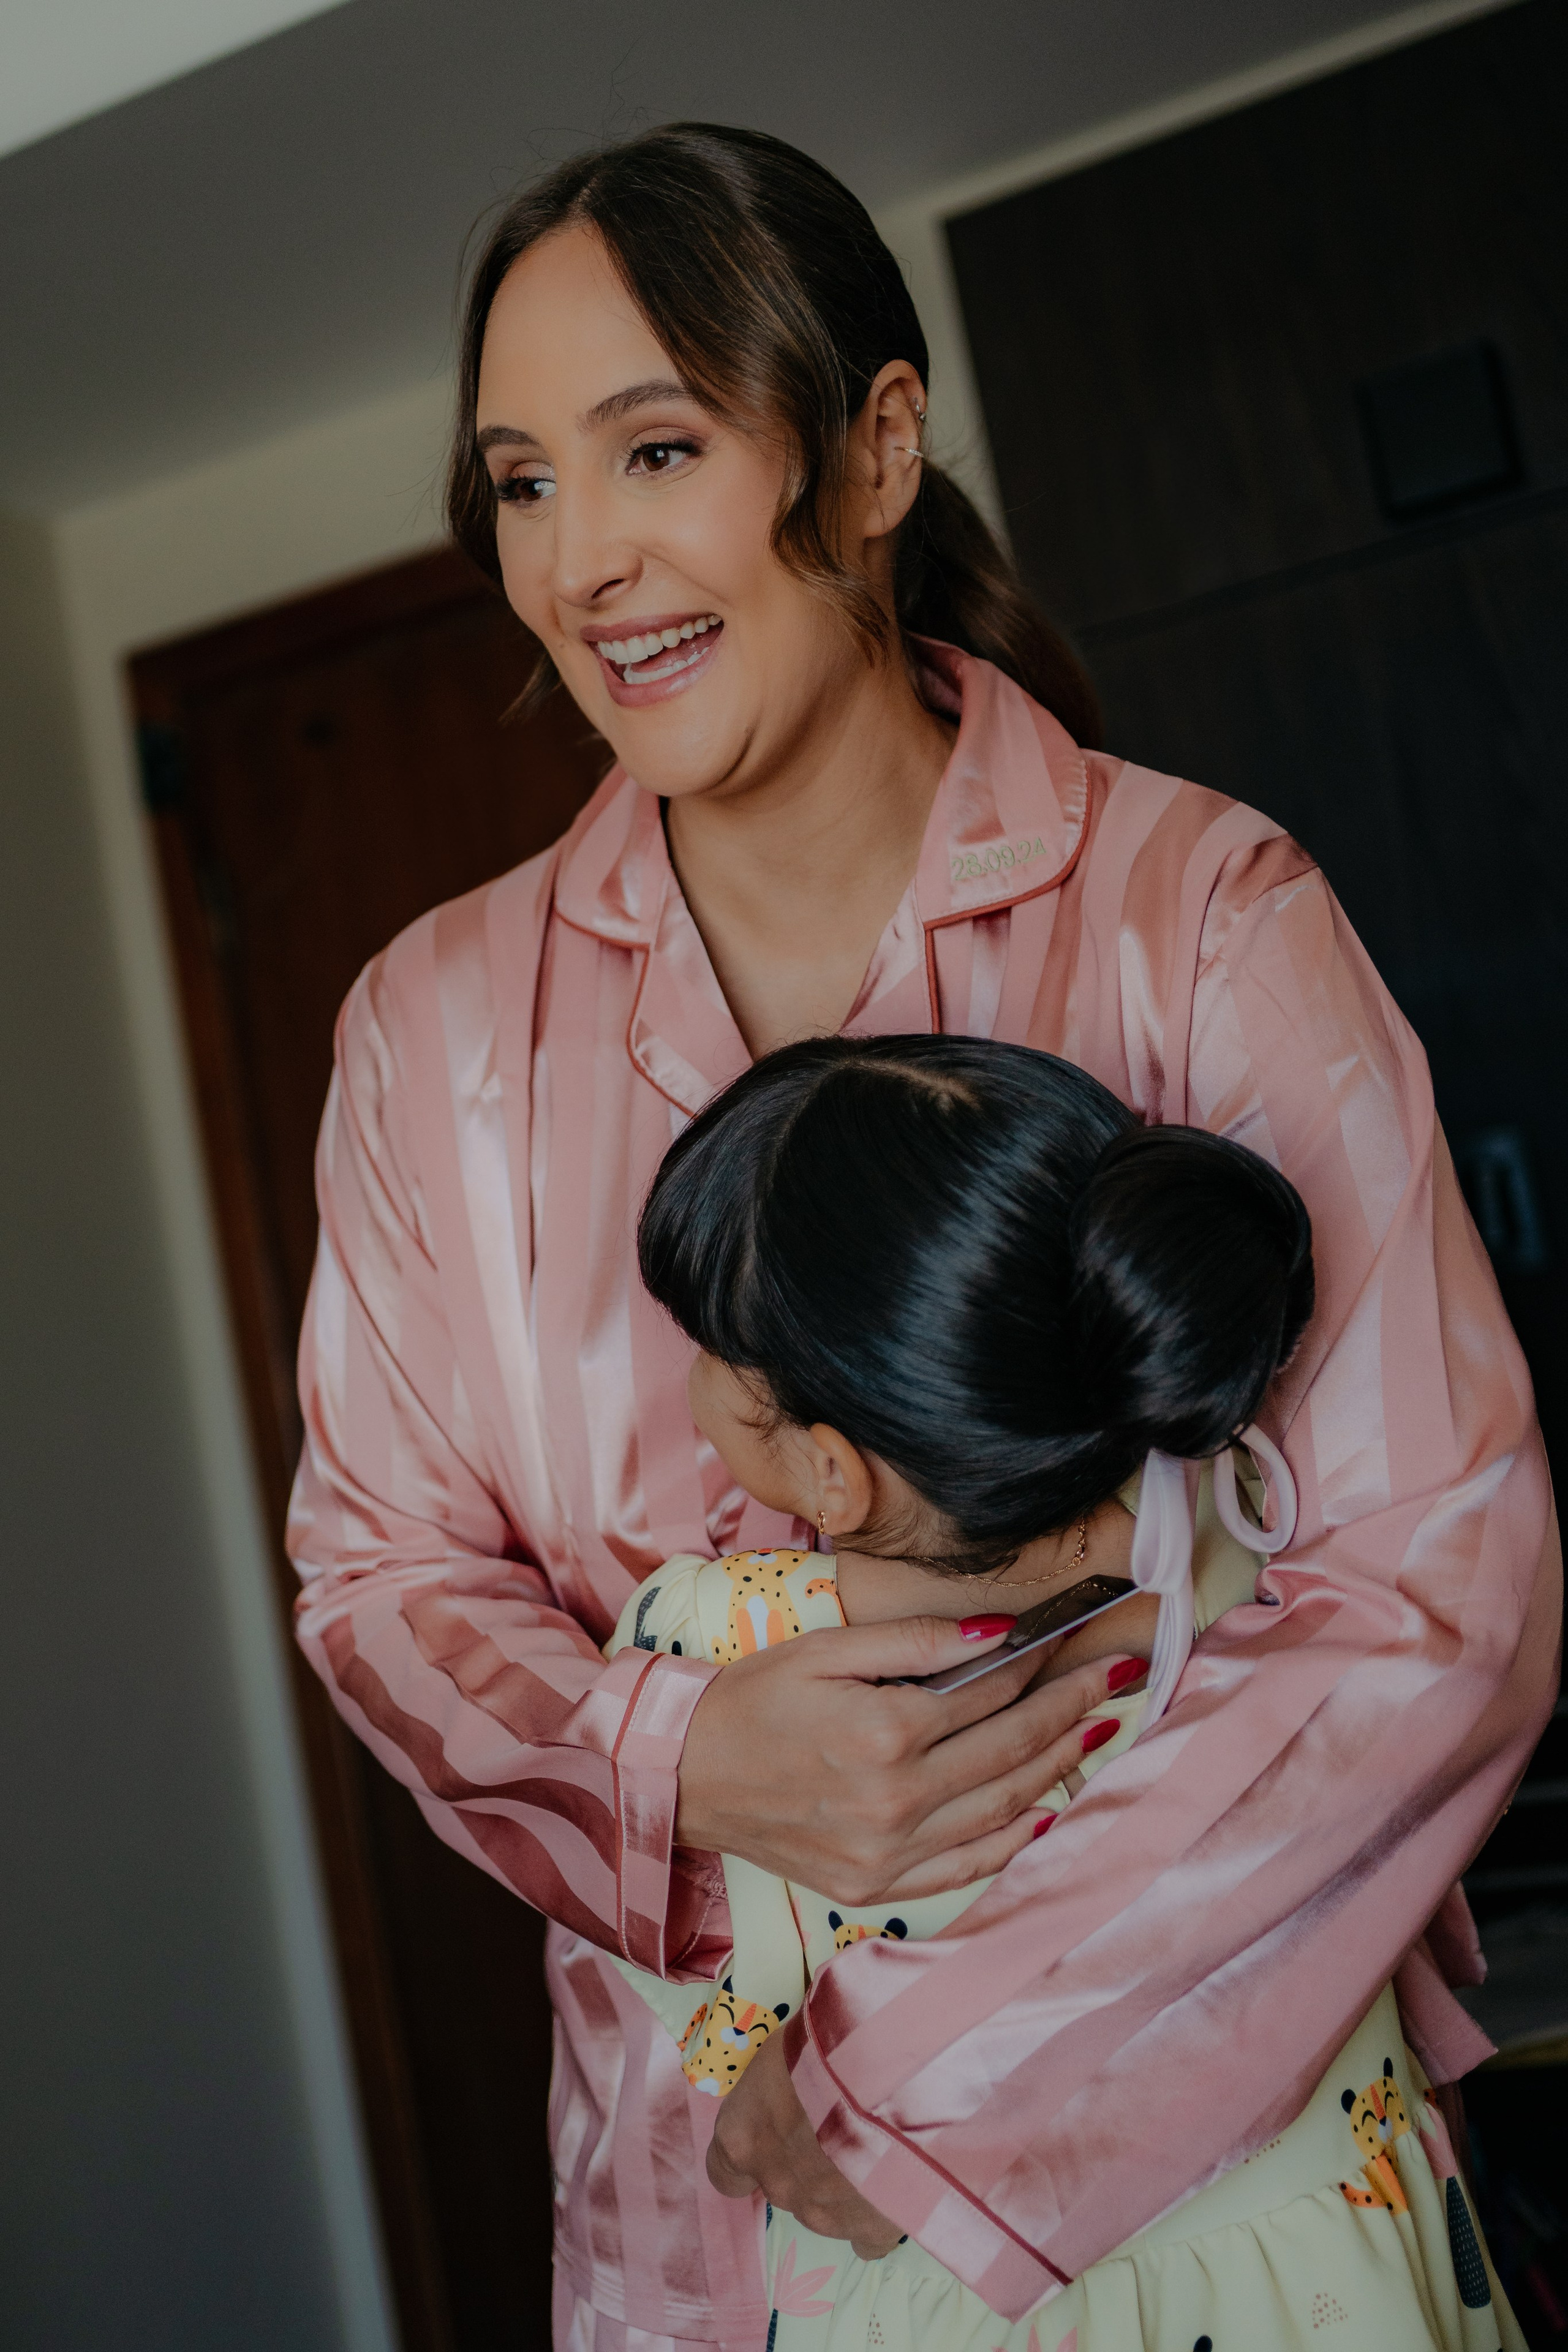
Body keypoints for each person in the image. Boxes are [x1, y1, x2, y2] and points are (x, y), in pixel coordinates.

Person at [287, 121, 1559, 2350]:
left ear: (875, 451)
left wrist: (914, 2088)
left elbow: (1435, 1593)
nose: (581, 556)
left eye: (655, 445)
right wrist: (685, 1767)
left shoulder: (1199, 916)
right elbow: (385, 1587)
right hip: (709, 2239)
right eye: (518, 481)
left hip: (1231, 2198)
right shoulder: (431, 1034)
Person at [604, 1030, 1522, 2351]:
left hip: (991, 2291)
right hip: (1339, 2256)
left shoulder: (708, 1650)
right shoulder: (1246, 1526)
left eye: (707, 1355)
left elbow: (704, 2000)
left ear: (826, 1475)